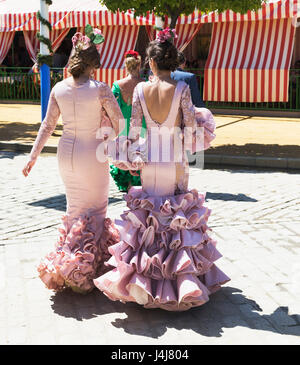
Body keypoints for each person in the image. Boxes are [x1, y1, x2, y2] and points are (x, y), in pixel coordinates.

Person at [94, 28, 230, 311]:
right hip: (175, 158)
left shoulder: (141, 90)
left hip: (149, 157)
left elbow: (132, 133)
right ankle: (179, 281)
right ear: (174, 62)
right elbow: (191, 130)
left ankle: (146, 281)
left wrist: (126, 155)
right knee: (177, 218)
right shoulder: (181, 89)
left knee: (150, 219)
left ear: (151, 63)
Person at [22, 27, 125, 294]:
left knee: (75, 211)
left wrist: (33, 156)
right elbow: (120, 123)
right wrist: (108, 133)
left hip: (65, 152)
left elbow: (47, 126)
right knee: (95, 211)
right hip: (91, 152)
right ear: (92, 64)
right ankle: (85, 272)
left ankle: (68, 265)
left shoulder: (58, 88)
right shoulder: (101, 89)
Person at [110, 50, 147, 192]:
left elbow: (111, 107)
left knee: (124, 153)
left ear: (126, 66)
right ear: (139, 65)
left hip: (123, 127)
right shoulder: (145, 84)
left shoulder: (118, 85)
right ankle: (139, 182)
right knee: (140, 152)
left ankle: (127, 184)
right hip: (141, 127)